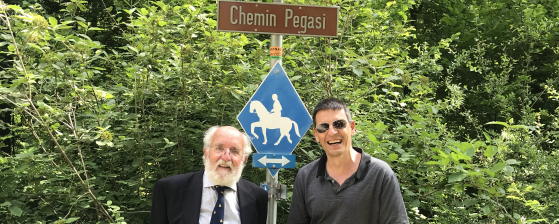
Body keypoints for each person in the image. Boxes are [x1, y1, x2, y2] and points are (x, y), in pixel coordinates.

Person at [288, 98, 409, 224]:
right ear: (316, 134)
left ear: (352, 128)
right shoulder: (306, 176)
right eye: (323, 127)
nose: (332, 132)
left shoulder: (380, 173)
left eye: (339, 124)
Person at [149, 126, 268, 224]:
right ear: (206, 153)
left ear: (244, 159)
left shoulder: (258, 197)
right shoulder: (169, 189)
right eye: (219, 148)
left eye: (234, 151)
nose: (226, 157)